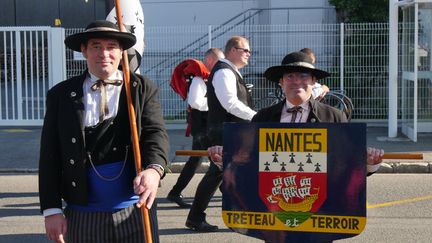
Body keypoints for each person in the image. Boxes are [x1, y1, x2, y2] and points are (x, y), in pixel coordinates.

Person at [38, 20, 169, 243]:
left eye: (111, 47)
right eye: (96, 46)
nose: (104, 53)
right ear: (84, 51)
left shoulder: (141, 88)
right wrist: (51, 210)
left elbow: (155, 133)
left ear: (121, 52)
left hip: (136, 210)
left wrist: (155, 170)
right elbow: (50, 155)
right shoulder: (60, 95)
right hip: (83, 215)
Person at [209, 51, 383, 171]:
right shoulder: (263, 118)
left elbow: (349, 164)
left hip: (320, 209)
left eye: (303, 76)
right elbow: (249, 161)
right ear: (281, 83)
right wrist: (224, 160)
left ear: (314, 81)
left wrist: (369, 164)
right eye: (290, 76)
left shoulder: (334, 117)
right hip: (273, 207)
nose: (296, 81)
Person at [185, 36, 256, 232]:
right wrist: (256, 117)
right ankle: (197, 217)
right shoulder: (224, 72)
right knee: (218, 174)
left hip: (230, 132)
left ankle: (202, 217)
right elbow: (229, 103)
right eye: (245, 50)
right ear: (232, 50)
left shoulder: (229, 71)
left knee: (226, 174)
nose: (249, 54)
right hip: (226, 134)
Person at [167, 48, 224, 208]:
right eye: (219, 61)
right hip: (201, 128)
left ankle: (175, 192)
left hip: (205, 127)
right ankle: (226, 189)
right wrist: (216, 103)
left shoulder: (210, 78)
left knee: (198, 161)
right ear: (211, 61)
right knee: (217, 160)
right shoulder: (199, 79)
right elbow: (194, 102)